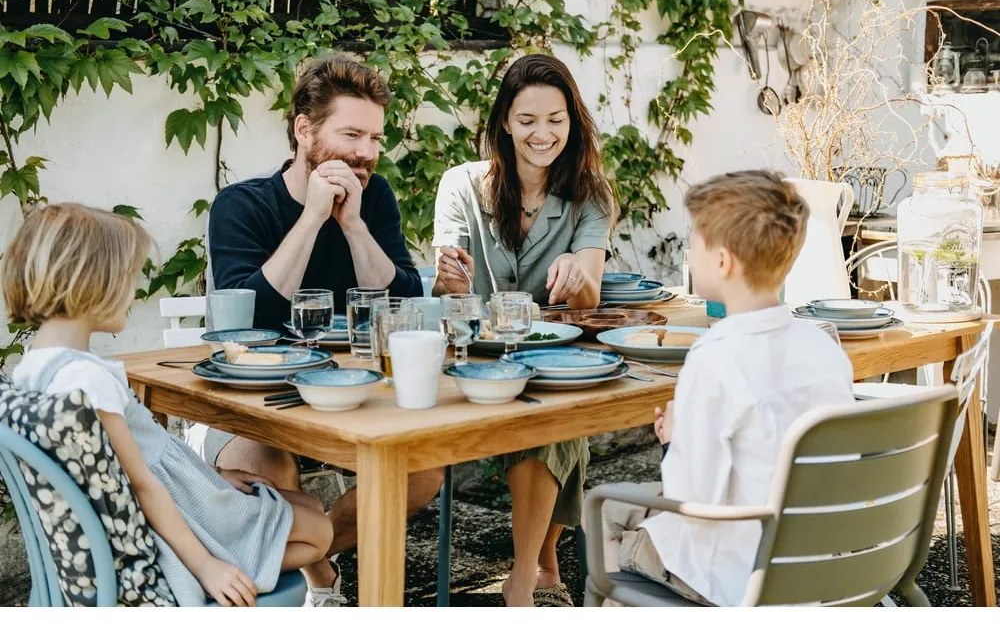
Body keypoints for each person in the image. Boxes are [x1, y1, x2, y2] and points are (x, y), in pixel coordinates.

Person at [190, 54, 443, 605]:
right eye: (352, 134)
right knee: (269, 465)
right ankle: (321, 578)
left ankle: (319, 545)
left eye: (375, 138)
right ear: (304, 130)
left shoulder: (373, 198)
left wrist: (352, 224)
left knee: (421, 473)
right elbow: (249, 315)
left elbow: (402, 301)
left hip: (350, 396)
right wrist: (310, 217)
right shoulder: (241, 205)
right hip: (257, 404)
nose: (366, 153)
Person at [3, 203, 335, 606]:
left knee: (308, 506)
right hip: (175, 512)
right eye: (127, 278)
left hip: (177, 489)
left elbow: (134, 464)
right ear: (92, 282)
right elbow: (142, 484)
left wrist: (211, 474)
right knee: (319, 530)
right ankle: (217, 574)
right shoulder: (87, 381)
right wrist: (205, 568)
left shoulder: (29, 373)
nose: (132, 291)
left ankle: (241, 555)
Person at [598, 170, 856, 606]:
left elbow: (692, 498)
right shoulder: (824, 347)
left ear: (723, 262)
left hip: (735, 573)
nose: (687, 250)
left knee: (604, 509)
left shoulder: (714, 357)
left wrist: (673, 440)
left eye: (693, 241)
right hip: (817, 561)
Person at [432, 54, 617, 606]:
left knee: (559, 418)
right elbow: (450, 293)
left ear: (572, 122)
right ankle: (541, 561)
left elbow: (589, 297)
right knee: (563, 421)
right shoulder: (462, 186)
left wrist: (578, 273)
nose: (543, 133)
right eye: (528, 120)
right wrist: (449, 277)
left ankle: (520, 579)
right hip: (480, 357)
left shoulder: (590, 194)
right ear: (506, 123)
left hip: (553, 358)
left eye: (556, 119)